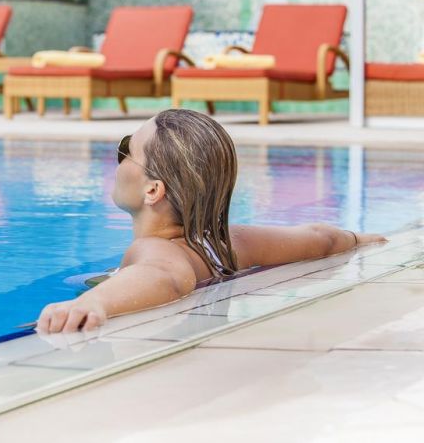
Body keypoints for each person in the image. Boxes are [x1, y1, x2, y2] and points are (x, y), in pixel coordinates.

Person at [37, 109, 386, 334]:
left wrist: (94, 302)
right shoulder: (227, 243)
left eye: (127, 150)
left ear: (153, 190)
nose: (119, 158)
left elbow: (165, 277)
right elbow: (320, 237)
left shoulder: (153, 249)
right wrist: (358, 239)